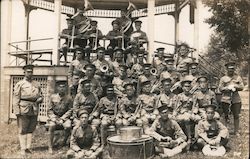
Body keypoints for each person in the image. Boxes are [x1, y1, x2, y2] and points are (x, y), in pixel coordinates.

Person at [13, 65, 43, 156]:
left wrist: (40, 99)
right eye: (28, 71)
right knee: (23, 129)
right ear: (24, 73)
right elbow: (16, 98)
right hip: (23, 107)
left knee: (31, 129)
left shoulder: (37, 84)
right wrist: (17, 111)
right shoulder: (20, 84)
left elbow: (41, 95)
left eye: (31, 71)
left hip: (34, 108)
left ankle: (28, 148)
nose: (30, 73)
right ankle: (23, 148)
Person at [172, 75, 198, 148]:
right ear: (182, 88)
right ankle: (189, 138)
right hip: (181, 114)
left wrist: (193, 113)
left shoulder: (193, 96)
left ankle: (196, 139)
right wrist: (176, 114)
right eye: (185, 86)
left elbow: (195, 106)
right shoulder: (179, 96)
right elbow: (177, 108)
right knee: (186, 119)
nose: (187, 88)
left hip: (190, 113)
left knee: (198, 119)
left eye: (188, 86)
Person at [47, 81, 73, 154]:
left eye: (63, 87)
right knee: (52, 126)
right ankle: (50, 146)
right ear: (57, 88)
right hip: (54, 117)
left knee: (68, 126)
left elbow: (70, 110)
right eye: (60, 87)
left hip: (64, 118)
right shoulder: (53, 97)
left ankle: (62, 143)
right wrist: (54, 118)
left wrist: (63, 118)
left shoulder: (69, 98)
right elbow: (49, 110)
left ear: (65, 88)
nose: (62, 89)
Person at [218, 61, 244, 135]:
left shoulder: (238, 77)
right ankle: (226, 130)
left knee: (236, 115)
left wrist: (235, 86)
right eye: (229, 69)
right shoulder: (223, 78)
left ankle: (236, 131)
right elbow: (220, 88)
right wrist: (227, 88)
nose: (231, 70)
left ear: (234, 69)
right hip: (226, 99)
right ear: (226, 69)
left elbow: (242, 87)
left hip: (236, 99)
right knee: (226, 115)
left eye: (232, 69)